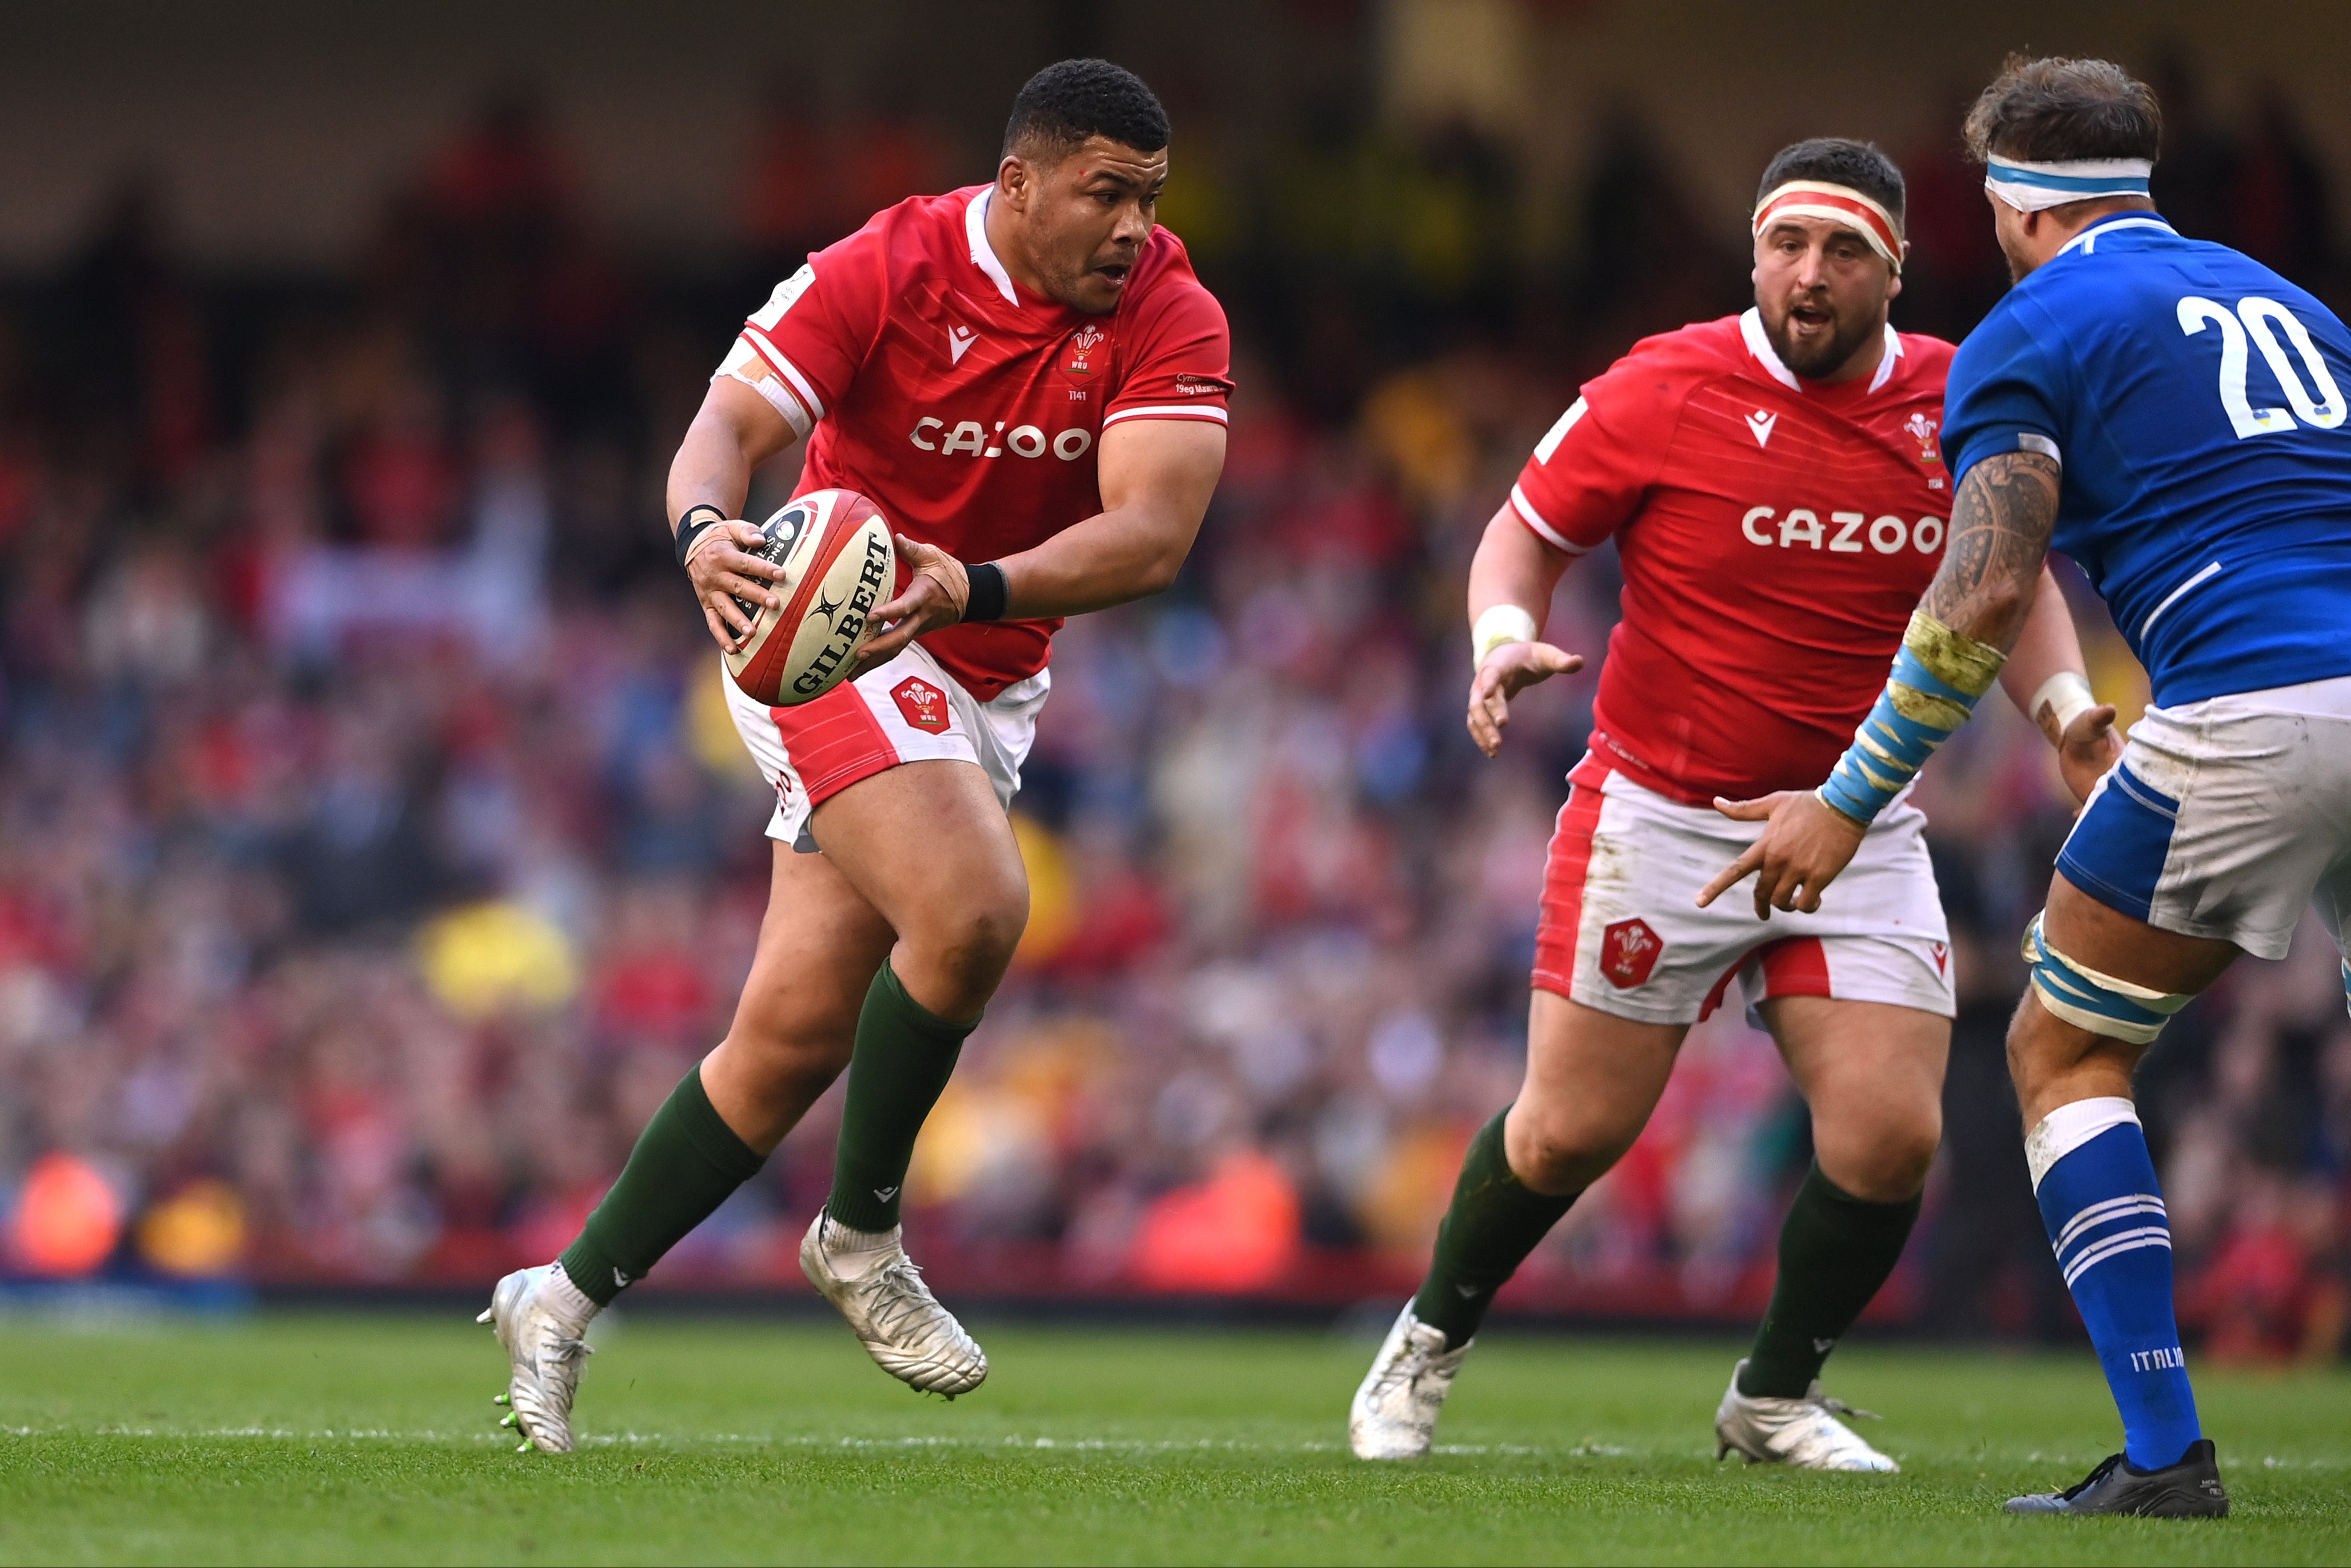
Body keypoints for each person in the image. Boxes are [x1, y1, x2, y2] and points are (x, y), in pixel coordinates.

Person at [480, 58, 1230, 1453]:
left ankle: (560, 1297)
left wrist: (977, 588)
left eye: (1147, 200)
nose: (1131, 228)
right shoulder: (887, 262)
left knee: (788, 1043)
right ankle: (863, 1233)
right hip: (833, 631)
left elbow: (1153, 535)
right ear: (1019, 183)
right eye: (1103, 194)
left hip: (981, 656)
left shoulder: (1170, 310)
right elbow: (729, 428)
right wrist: (706, 529)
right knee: (976, 907)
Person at [1349, 138, 2118, 1467]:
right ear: (1752, 253)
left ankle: (1770, 1399)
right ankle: (1424, 1340)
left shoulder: (1963, 395)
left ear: (1894, 268)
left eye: (1839, 253)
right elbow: (1524, 528)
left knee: (1888, 1141)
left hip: (1852, 819)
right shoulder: (1662, 383)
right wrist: (1497, 638)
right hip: (1658, 811)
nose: (1805, 276)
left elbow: (2015, 577)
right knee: (1564, 1131)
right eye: (1784, 246)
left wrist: (2064, 716)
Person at [1705, 55, 2351, 1518]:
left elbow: (1980, 593)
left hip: (2249, 703)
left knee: (2061, 1050)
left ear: (2010, 202)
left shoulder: (2027, 328)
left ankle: (2162, 1456)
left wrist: (1845, 800)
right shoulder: (2293, 301)